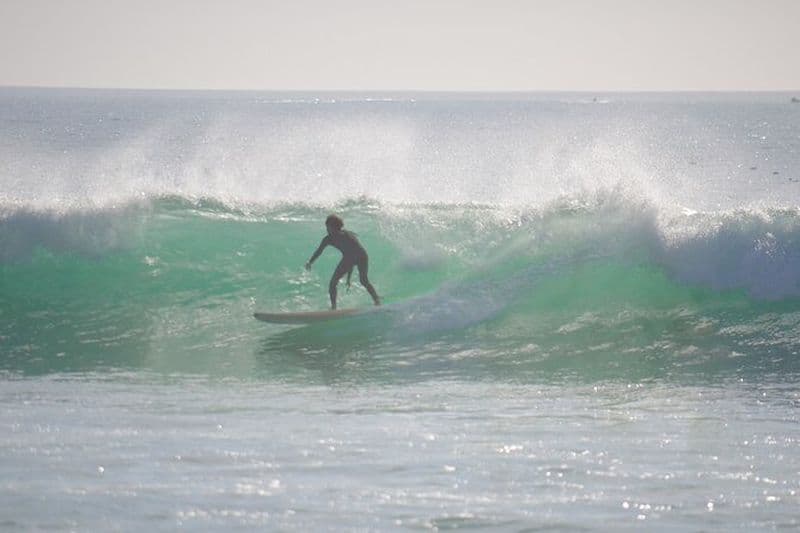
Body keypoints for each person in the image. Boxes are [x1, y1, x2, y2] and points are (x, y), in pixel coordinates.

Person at [305, 214, 381, 310]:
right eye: (327, 227)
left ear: (335, 227)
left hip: (361, 256)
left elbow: (354, 254)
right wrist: (310, 262)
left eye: (328, 227)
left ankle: (376, 300)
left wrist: (349, 275)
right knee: (335, 283)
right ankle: (334, 307)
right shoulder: (328, 239)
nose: (327, 229)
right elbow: (319, 251)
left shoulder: (346, 235)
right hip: (355, 257)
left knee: (362, 281)